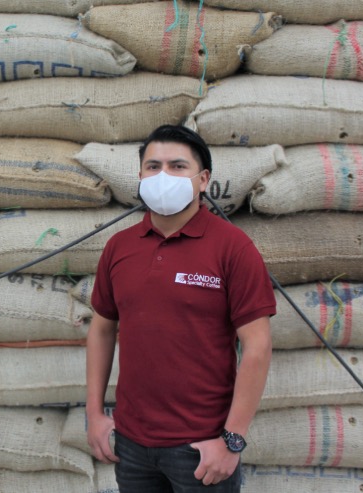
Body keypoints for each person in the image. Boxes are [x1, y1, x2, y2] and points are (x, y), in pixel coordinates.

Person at [85, 125, 276, 492]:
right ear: (140, 175)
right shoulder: (119, 247)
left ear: (202, 180)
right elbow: (102, 329)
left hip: (201, 448)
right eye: (153, 166)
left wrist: (231, 441)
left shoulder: (232, 248)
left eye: (177, 166)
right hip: (132, 444)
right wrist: (94, 414)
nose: (163, 176)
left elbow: (257, 347)